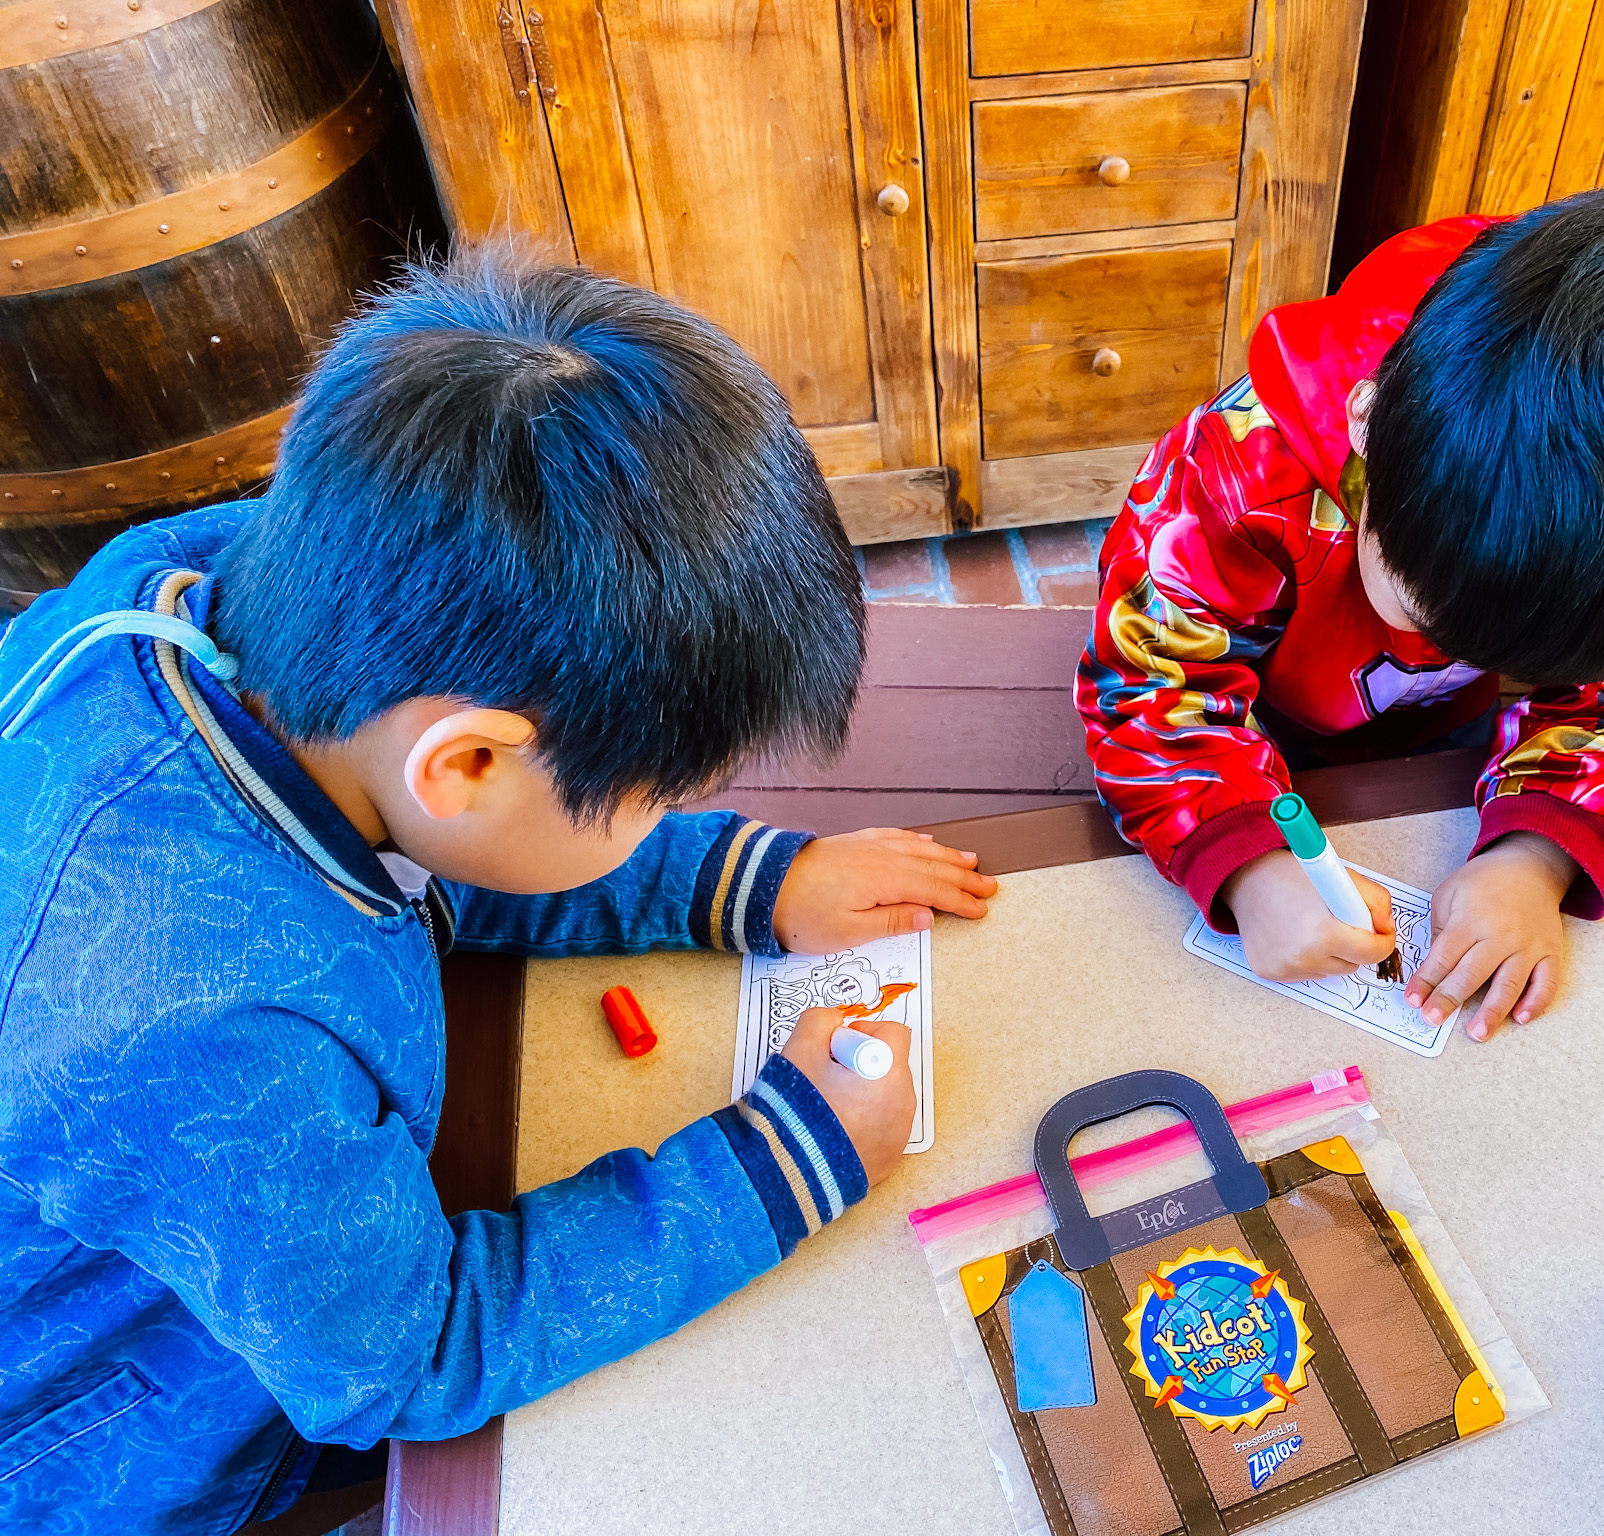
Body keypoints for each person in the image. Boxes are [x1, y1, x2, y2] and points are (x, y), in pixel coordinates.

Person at [0, 250, 995, 1534]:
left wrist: (741, 880)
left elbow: (446, 840)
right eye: (655, 799)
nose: (671, 819)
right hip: (135, 1444)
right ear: (464, 760)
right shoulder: (193, 1028)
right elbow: (403, 1361)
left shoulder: (250, 583)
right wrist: (782, 1160)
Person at [1077, 183, 1604, 1040]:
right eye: (1421, 606)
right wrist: (1246, 865)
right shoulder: (1237, 469)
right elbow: (1152, 686)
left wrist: (1534, 855)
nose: (1431, 645)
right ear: (1364, 420)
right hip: (1251, 726)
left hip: (1426, 756)